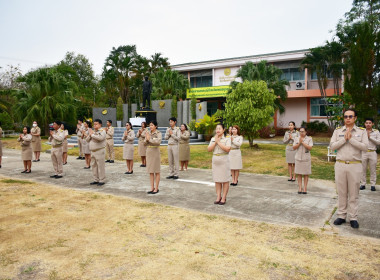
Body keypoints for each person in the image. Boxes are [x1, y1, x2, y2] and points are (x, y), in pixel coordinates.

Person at [330, 109, 368, 229]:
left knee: (353, 193)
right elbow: (332, 146)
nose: (347, 118)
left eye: (350, 116)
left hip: (354, 165)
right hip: (340, 164)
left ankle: (353, 217)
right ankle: (341, 215)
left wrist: (351, 139)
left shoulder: (361, 132)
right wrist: (344, 139)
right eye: (346, 116)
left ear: (355, 118)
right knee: (341, 192)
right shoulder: (338, 131)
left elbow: (365, 147)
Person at [208, 123, 231, 205]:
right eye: (216, 128)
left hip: (224, 161)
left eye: (219, 128)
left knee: (225, 180)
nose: (217, 130)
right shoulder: (213, 139)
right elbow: (209, 149)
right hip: (215, 161)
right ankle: (218, 196)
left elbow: (227, 149)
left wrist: (219, 142)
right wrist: (215, 142)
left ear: (223, 130)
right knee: (217, 180)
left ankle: (224, 197)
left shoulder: (227, 139)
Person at [360, 118, 380, 192]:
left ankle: (373, 185)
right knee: (362, 169)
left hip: (372, 152)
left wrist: (370, 137)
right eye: (366, 123)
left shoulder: (376, 132)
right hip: (364, 152)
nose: (368, 124)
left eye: (370, 123)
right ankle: (363, 184)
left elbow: (378, 142)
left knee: (373, 169)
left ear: (372, 124)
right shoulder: (362, 131)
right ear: (364, 124)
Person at [293, 127, 313, 194]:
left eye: (303, 131)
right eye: (300, 131)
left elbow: (310, 148)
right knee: (299, 173)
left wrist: (303, 143)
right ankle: (300, 188)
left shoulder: (309, 138)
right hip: (298, 158)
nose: (301, 133)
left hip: (306, 159)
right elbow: (294, 147)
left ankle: (305, 188)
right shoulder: (296, 138)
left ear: (306, 132)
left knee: (306, 174)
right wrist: (299, 143)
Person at [86, 119, 106, 186]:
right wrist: (90, 134)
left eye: (96, 124)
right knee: (94, 166)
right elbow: (87, 140)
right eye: (94, 124)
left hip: (99, 151)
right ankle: (96, 179)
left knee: (100, 166)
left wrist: (92, 135)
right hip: (93, 151)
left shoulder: (102, 131)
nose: (95, 125)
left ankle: (102, 180)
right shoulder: (93, 132)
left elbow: (100, 138)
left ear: (100, 124)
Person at [145, 120, 162, 194]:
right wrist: (147, 139)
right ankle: (152, 188)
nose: (150, 126)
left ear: (155, 126)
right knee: (150, 171)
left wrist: (150, 139)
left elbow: (158, 142)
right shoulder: (148, 133)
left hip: (155, 153)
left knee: (157, 171)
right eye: (150, 125)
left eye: (152, 125)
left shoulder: (158, 133)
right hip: (149, 152)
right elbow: (144, 143)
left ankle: (156, 188)